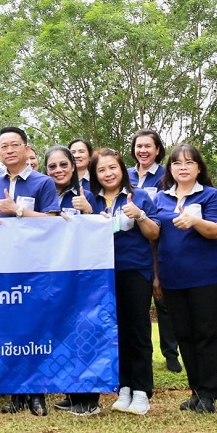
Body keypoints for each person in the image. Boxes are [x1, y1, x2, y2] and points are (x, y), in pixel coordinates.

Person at [0, 128, 58, 416]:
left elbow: (53, 221)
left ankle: (38, 393)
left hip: (36, 266)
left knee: (36, 327)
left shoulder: (43, 182)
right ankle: (16, 392)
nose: (9, 150)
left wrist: (17, 211)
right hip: (5, 266)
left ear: (27, 149)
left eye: (15, 145)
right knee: (10, 329)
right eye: (4, 146)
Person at [153, 144, 217, 413]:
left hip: (206, 278)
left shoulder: (210, 195)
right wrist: (156, 277)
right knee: (184, 336)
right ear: (170, 168)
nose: (183, 167)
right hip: (171, 278)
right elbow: (154, 240)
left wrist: (194, 221)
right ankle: (195, 391)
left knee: (206, 335)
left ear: (198, 168)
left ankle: (208, 395)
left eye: (189, 163)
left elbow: (215, 232)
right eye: (177, 163)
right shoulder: (161, 198)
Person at [88, 148, 159, 416]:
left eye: (112, 168)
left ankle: (142, 391)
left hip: (134, 270)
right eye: (102, 170)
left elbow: (154, 234)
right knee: (115, 333)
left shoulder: (138, 196)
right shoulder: (91, 200)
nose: (108, 173)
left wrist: (139, 215)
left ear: (122, 169)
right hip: (102, 274)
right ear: (95, 174)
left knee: (137, 330)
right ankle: (124, 387)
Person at [44, 145, 99, 416]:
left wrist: (88, 211)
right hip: (52, 276)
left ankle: (88, 397)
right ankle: (71, 392)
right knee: (62, 334)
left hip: (83, 277)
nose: (58, 170)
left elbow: (102, 230)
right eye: (52, 166)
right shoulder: (42, 197)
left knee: (84, 332)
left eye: (63, 165)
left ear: (73, 166)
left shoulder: (87, 195)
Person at [128, 128, 181, 374]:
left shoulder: (165, 176)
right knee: (137, 306)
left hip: (159, 240)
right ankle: (141, 354)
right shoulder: (125, 175)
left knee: (163, 300)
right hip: (131, 244)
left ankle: (171, 354)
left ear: (158, 149)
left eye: (148, 146)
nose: (143, 150)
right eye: (139, 146)